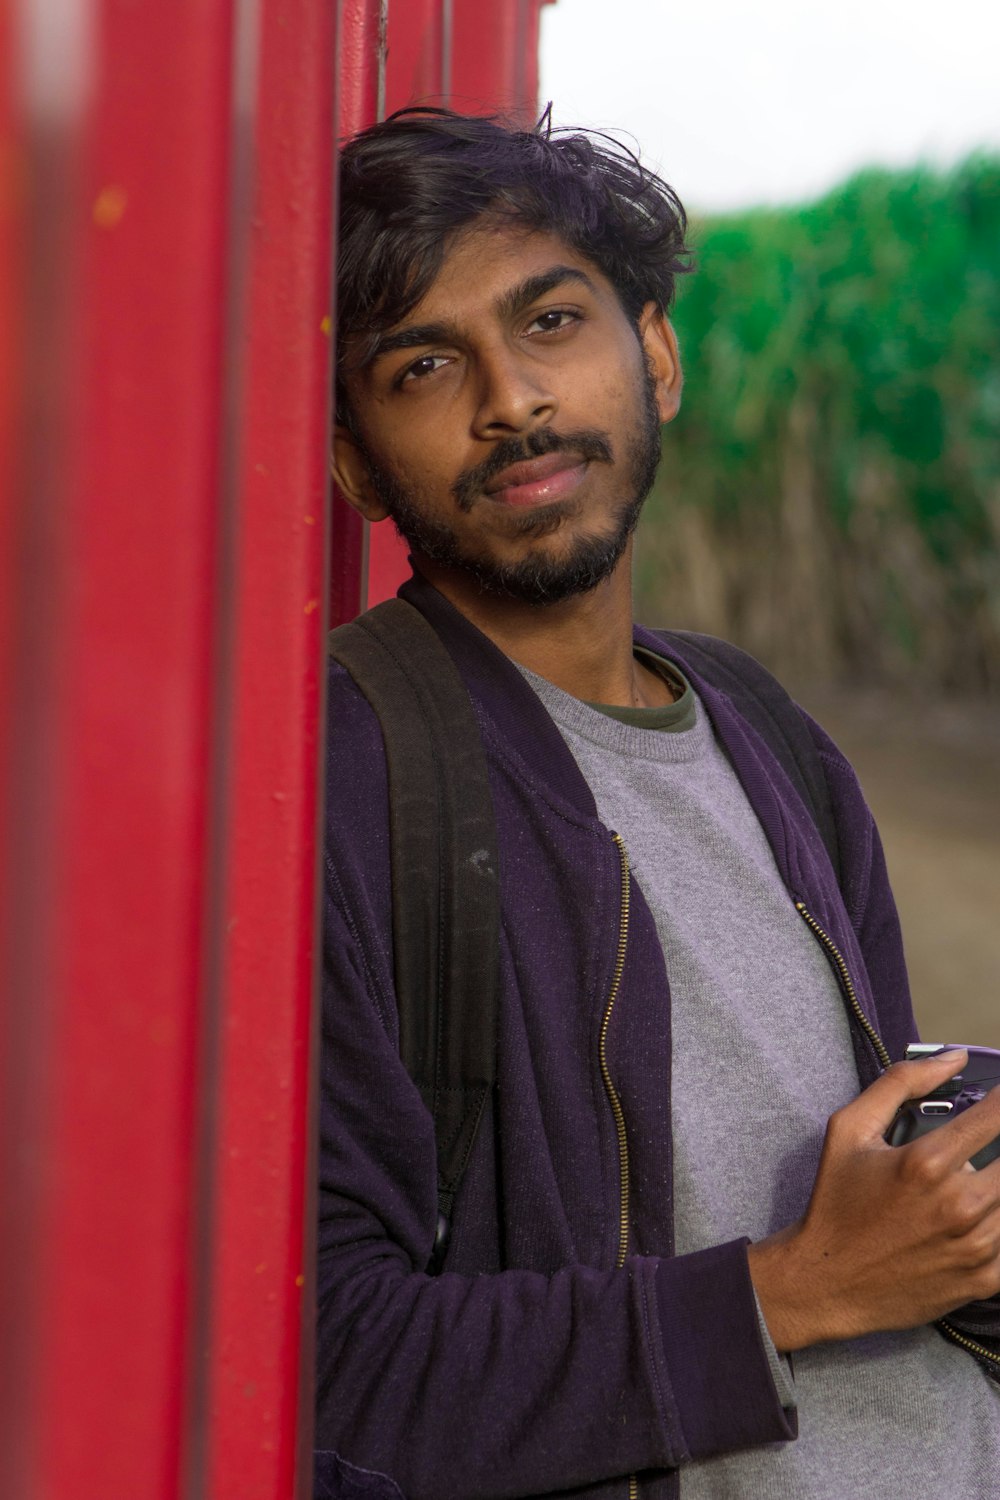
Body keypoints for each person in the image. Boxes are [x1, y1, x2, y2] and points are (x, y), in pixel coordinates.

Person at [316, 108, 1000, 1500]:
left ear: (661, 355)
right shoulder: (353, 779)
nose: (511, 399)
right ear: (351, 459)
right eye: (427, 364)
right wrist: (790, 1294)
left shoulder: (766, 727)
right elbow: (337, 1366)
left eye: (552, 320)